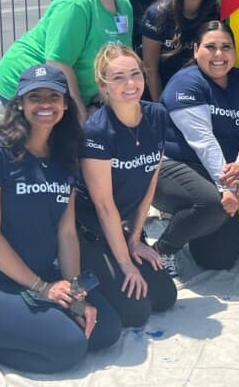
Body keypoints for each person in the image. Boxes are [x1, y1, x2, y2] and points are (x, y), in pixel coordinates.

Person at [0, 65, 120, 372]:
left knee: (105, 331)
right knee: (68, 347)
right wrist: (42, 288)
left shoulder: (63, 155)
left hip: (38, 272)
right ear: (20, 104)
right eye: (35, 97)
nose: (45, 104)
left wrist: (74, 293)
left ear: (66, 104)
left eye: (53, 96)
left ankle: (19, 326)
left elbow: (67, 234)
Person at [152, 21, 239, 275]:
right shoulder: (185, 83)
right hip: (173, 167)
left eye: (226, 47)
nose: (219, 54)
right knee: (212, 204)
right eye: (210, 47)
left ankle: (190, 220)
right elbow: (203, 141)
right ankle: (162, 249)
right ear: (196, 50)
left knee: (220, 258)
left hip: (218, 171)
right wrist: (228, 188)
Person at [75, 44, 177, 327]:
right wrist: (125, 263)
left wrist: (135, 240)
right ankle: (77, 277)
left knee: (164, 297)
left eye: (135, 74)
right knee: (135, 312)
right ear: (103, 85)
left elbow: (150, 181)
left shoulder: (157, 115)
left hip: (122, 227)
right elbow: (104, 206)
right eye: (118, 78)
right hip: (90, 230)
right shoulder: (97, 131)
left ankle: (116, 261)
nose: (130, 84)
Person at [0, 0, 134, 123]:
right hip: (26, 82)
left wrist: (99, 101)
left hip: (65, 87)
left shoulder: (124, 4)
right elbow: (58, 63)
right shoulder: (76, 4)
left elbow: (116, 60)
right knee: (48, 139)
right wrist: (78, 109)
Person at [142, 0, 221, 101]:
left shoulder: (217, 15)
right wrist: (161, 108)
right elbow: (150, 68)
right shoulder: (157, 14)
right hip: (162, 95)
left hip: (201, 98)